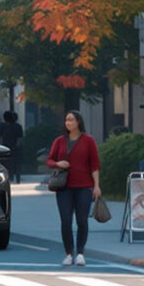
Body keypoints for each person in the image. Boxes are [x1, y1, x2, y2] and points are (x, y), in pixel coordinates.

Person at [46, 110, 100, 267]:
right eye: (66, 120)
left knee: (82, 220)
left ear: (78, 122)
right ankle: (69, 253)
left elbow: (95, 164)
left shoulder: (88, 141)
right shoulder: (60, 141)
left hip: (84, 186)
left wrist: (96, 186)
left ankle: (81, 253)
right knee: (66, 221)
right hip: (64, 187)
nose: (68, 123)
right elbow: (49, 160)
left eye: (71, 120)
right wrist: (58, 164)